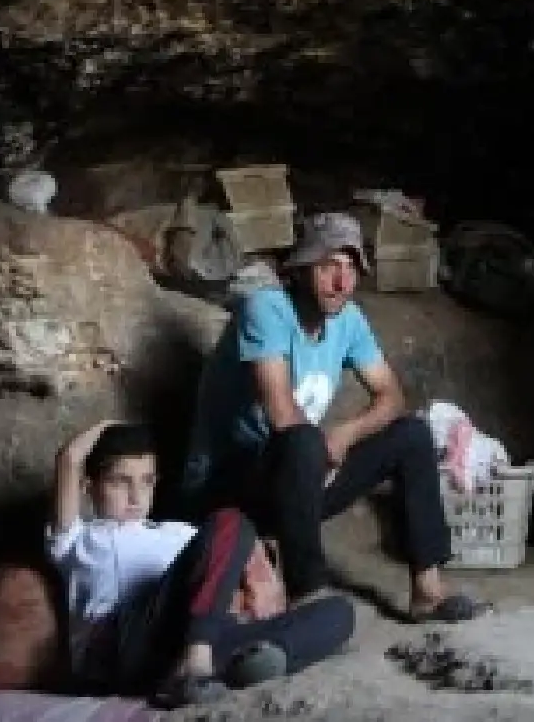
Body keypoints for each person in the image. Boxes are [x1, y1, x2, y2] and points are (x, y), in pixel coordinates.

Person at [178, 211, 487, 623]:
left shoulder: (349, 320)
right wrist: (320, 453)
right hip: (229, 488)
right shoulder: (265, 309)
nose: (342, 283)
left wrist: (346, 434)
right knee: (303, 440)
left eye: (350, 269)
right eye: (329, 267)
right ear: (302, 269)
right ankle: (308, 592)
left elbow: (390, 395)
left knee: (411, 433)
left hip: (297, 478)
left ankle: (427, 589)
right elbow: (282, 414)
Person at [48, 419, 356, 707]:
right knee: (230, 521)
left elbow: (228, 559)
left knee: (339, 612)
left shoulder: (177, 532)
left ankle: (256, 659)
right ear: (89, 487)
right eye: (120, 482)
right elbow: (70, 459)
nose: (135, 496)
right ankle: (197, 662)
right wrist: (106, 427)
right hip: (126, 647)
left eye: (146, 481)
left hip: (193, 641)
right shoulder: (77, 540)